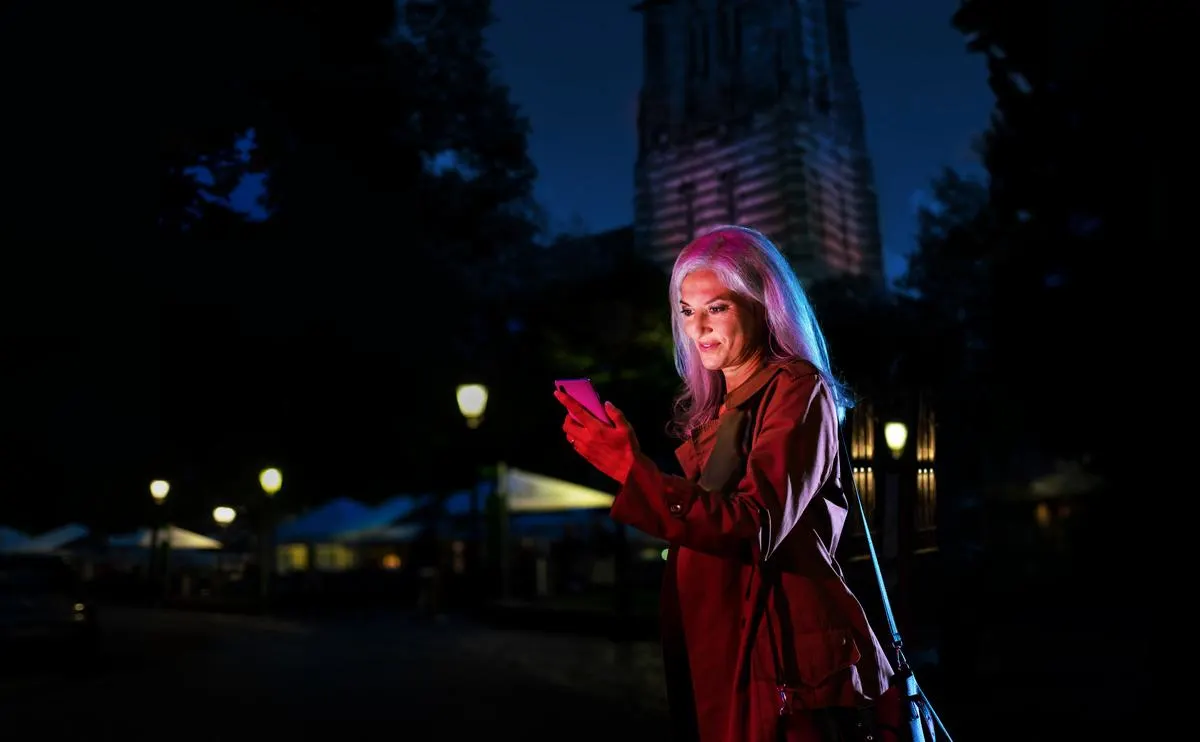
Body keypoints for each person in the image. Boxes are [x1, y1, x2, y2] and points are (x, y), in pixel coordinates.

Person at [554, 226, 893, 742]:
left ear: (763, 303)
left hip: (781, 662)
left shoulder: (797, 388)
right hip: (728, 652)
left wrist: (632, 471)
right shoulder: (718, 411)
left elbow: (753, 525)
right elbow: (704, 531)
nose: (699, 328)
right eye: (687, 311)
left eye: (717, 307)